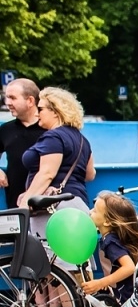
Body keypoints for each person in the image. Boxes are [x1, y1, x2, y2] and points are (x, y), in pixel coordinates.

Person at [20, 87, 95, 232]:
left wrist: (25, 201)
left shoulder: (53, 137)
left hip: (53, 209)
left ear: (56, 111)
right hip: (78, 204)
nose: (36, 114)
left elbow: (47, 173)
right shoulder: (82, 140)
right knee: (76, 252)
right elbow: (90, 174)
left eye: (40, 109)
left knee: (50, 252)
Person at [1, 78, 44, 211]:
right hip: (15, 206)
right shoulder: (6, 130)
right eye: (6, 97)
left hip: (47, 205)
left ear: (30, 101)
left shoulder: (50, 129)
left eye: (13, 98)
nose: (7, 103)